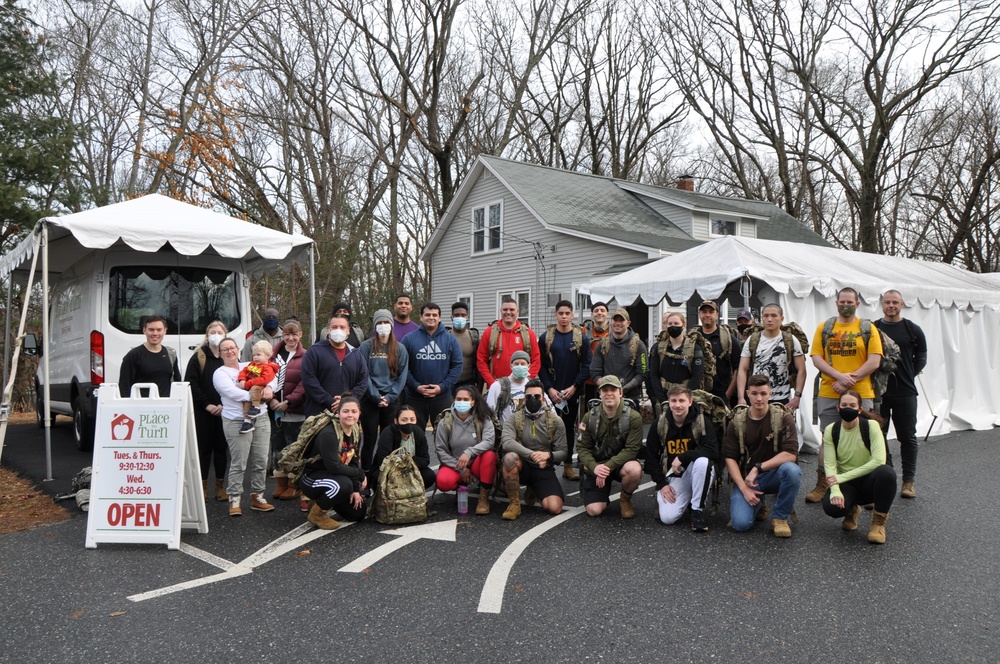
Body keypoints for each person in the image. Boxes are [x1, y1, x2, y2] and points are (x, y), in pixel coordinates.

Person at [806, 287, 883, 502]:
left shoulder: (868, 328)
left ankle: (864, 487)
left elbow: (874, 361)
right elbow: (817, 358)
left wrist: (851, 379)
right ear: (836, 303)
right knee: (827, 438)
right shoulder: (825, 328)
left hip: (861, 393)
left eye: (850, 302)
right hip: (830, 392)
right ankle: (823, 484)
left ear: (857, 304)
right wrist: (839, 377)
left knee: (862, 440)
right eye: (842, 301)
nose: (845, 305)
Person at [724, 375, 801, 537]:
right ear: (747, 394)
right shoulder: (737, 422)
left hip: (774, 475)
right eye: (754, 393)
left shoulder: (783, 418)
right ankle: (759, 503)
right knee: (740, 524)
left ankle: (780, 517)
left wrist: (759, 468)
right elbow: (730, 458)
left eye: (763, 394)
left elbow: (791, 455)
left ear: (770, 394)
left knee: (792, 471)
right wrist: (744, 489)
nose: (759, 398)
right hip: (747, 479)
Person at [821, 390, 896, 544]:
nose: (848, 408)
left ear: (860, 409)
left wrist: (839, 478)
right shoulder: (831, 430)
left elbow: (878, 461)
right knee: (832, 508)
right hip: (848, 484)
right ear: (838, 408)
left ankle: (878, 524)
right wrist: (835, 489)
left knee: (887, 473)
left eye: (852, 405)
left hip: (869, 481)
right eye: (844, 405)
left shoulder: (871, 426)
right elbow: (829, 463)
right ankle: (852, 510)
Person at [213, 337, 277, 516]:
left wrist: (270, 389)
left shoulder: (249, 365)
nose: (229, 351)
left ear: (238, 349)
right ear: (220, 353)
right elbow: (232, 393)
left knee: (261, 460)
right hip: (236, 419)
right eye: (225, 349)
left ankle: (258, 497)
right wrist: (256, 394)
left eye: (232, 348)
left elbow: (271, 374)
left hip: (261, 417)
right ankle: (234, 499)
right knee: (239, 462)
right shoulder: (220, 373)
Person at [873, 290, 927, 499]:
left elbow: (921, 355)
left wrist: (909, 374)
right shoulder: (873, 328)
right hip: (880, 393)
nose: (891, 306)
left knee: (908, 437)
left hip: (905, 392)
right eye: (887, 302)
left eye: (895, 302)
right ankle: (887, 476)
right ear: (882, 304)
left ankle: (908, 481)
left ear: (902, 304)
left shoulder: (912, 329)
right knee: (879, 436)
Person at [644, 384, 719, 532]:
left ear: (690, 402)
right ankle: (688, 497)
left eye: (681, 401)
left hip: (697, 471)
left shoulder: (702, 421)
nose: (677, 405)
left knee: (703, 462)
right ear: (668, 402)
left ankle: (696, 510)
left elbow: (713, 451)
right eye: (673, 401)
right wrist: (661, 484)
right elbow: (651, 457)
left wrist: (684, 456)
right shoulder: (660, 423)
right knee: (667, 518)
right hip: (674, 476)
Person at [538, 300, 591, 480]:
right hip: (551, 392)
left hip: (571, 392)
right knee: (547, 429)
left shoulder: (581, 338)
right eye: (561, 313)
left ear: (572, 315)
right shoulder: (546, 338)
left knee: (569, 429)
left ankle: (568, 466)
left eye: (567, 313)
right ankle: (546, 465)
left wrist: (574, 386)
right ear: (555, 314)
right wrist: (549, 388)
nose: (564, 317)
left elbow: (587, 366)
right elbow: (541, 366)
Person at [577, 376, 644, 519]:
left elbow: (632, 449)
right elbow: (582, 448)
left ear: (620, 393)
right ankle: (595, 490)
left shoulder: (634, 417)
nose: (609, 393)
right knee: (594, 510)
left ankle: (625, 498)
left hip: (620, 465)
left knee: (634, 469)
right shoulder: (589, 418)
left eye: (613, 389)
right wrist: (595, 468)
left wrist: (607, 467)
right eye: (604, 390)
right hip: (597, 465)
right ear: (599, 394)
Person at [499, 379, 567, 520]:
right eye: (529, 397)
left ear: (543, 399)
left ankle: (533, 489)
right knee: (510, 458)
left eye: (537, 396)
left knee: (554, 508)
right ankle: (514, 504)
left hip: (543, 467)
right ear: (524, 399)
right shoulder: (513, 418)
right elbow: (506, 442)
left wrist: (548, 456)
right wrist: (533, 455)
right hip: (521, 465)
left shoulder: (555, 421)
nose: (533, 399)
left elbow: (563, 452)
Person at [299, 394, 368, 530]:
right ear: (338, 412)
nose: (350, 415)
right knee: (343, 486)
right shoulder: (329, 434)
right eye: (346, 411)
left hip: (335, 478)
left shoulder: (356, 431)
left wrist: (355, 489)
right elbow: (334, 467)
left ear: (359, 413)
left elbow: (353, 460)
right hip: (312, 478)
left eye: (354, 411)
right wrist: (360, 474)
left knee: (358, 513)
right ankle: (317, 514)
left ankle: (323, 501)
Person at [183, 320, 229, 502]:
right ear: (207, 335)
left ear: (225, 335)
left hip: (225, 411)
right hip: (204, 412)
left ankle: (220, 487)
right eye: (213, 331)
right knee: (204, 451)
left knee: (221, 450)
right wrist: (206, 405)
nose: (216, 334)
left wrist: (225, 405)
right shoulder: (199, 357)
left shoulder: (229, 356)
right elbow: (191, 384)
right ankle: (202, 488)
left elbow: (238, 380)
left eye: (220, 331)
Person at [359, 309, 409, 472]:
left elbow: (402, 376)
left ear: (391, 325)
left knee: (388, 440)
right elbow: (363, 374)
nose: (383, 326)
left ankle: (384, 472)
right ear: (375, 326)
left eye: (386, 323)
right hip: (370, 400)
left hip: (391, 401)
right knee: (369, 440)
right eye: (379, 323)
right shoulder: (366, 347)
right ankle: (365, 474)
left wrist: (390, 397)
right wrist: (375, 396)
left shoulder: (399, 349)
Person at [435, 385, 497, 516]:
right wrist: (461, 469)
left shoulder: (483, 418)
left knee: (489, 455)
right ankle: (459, 485)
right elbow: (441, 450)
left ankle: (483, 498)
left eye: (465, 399)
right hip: (455, 464)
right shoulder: (445, 421)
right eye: (459, 399)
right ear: (454, 400)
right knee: (443, 481)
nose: (461, 402)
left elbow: (489, 442)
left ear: (473, 402)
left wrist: (469, 452)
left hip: (476, 463)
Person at [400, 303, 463, 430]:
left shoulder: (450, 340)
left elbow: (457, 366)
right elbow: (401, 367)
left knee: (446, 434)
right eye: (427, 314)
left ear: (439, 318)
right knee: (412, 434)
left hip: (442, 396)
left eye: (435, 315)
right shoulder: (408, 339)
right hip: (414, 396)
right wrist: (416, 386)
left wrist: (442, 387)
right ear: (421, 317)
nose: (431, 317)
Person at [737, 303, 806, 409]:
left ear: (781, 318)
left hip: (782, 399)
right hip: (757, 397)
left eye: (774, 316)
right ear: (762, 318)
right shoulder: (752, 340)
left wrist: (797, 397)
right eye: (766, 316)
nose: (769, 319)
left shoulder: (790, 340)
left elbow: (801, 369)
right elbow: (742, 369)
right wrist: (741, 397)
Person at [268, 320, 308, 502]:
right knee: (277, 448)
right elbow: (266, 377)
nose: (290, 338)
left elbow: (304, 383)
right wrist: (272, 399)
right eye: (286, 335)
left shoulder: (306, 357)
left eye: (294, 334)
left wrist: (288, 401)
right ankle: (281, 483)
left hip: (295, 410)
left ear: (300, 335)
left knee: (293, 448)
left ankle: (294, 485)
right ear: (282, 336)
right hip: (275, 409)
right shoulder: (273, 356)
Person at [301, 314, 370, 416]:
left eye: (342, 327)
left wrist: (346, 401)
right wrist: (329, 401)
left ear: (348, 331)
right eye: (334, 327)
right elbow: (309, 380)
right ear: (328, 330)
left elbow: (363, 382)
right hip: (318, 414)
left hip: (347, 414)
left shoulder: (356, 355)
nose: (338, 330)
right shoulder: (314, 352)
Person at [370, 403, 436, 492]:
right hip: (389, 472)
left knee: (429, 476)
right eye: (404, 420)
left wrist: (403, 462)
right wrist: (409, 460)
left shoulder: (418, 433)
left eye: (412, 419)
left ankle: (410, 494)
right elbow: (383, 461)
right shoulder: (388, 433)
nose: (408, 423)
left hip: (410, 469)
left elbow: (425, 460)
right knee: (378, 478)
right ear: (396, 421)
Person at [477, 296, 541, 388]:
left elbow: (536, 359)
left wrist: (528, 380)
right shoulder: (490, 332)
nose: (508, 312)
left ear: (518, 311)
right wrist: (492, 382)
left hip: (521, 386)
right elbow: (481, 360)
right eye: (505, 309)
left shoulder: (528, 333)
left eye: (512, 309)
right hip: (496, 384)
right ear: (500, 311)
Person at [648, 311, 705, 413]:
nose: (673, 326)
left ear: (684, 325)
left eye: (676, 324)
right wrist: (662, 400)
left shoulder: (694, 348)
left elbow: (697, 376)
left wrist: (685, 398)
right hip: (663, 399)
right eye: (670, 324)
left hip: (686, 401)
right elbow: (653, 375)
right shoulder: (658, 348)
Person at [589, 308, 647, 403]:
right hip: (607, 397)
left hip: (630, 397)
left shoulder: (638, 345)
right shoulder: (602, 345)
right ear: (611, 322)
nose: (618, 323)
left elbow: (643, 373)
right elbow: (594, 372)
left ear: (628, 323)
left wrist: (624, 389)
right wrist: (609, 388)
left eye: (621, 320)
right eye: (615, 320)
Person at [119, 315, 181, 398]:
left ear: (165, 331)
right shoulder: (133, 355)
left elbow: (177, 382)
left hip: (166, 407)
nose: (155, 333)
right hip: (141, 407)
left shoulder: (171, 354)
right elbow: (124, 387)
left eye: (159, 330)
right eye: (151, 330)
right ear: (144, 330)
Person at [693, 300, 740, 403]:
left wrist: (727, 395)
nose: (707, 315)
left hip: (722, 396)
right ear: (699, 314)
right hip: (697, 395)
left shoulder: (728, 339)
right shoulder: (692, 338)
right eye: (704, 312)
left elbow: (738, 369)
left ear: (717, 314)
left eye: (711, 312)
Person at [236, 339, 279, 434]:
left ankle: (256, 408)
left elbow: (264, 379)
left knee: (254, 388)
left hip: (260, 389)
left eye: (258, 355)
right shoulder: (252, 364)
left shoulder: (269, 367)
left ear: (267, 356)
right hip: (251, 389)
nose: (255, 357)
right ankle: (247, 422)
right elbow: (243, 371)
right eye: (254, 355)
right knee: (246, 401)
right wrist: (242, 379)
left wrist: (248, 383)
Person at [486, 351, 537, 423]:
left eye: (523, 364)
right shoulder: (498, 386)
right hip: (505, 432)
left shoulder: (535, 386)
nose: (519, 366)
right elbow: (488, 414)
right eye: (516, 364)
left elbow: (548, 409)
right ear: (511, 366)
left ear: (528, 367)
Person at [581, 301, 611, 408]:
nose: (599, 313)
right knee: (588, 412)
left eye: (602, 310)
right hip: (588, 381)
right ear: (591, 314)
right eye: (596, 311)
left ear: (608, 314)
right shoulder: (584, 331)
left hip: (608, 379)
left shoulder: (614, 331)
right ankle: (584, 426)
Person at [448, 302, 480, 391]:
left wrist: (479, 388)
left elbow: (479, 363)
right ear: (452, 318)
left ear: (467, 317)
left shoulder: (474, 337)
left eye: (463, 315)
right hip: (448, 383)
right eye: (456, 315)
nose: (460, 317)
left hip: (468, 382)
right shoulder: (445, 337)